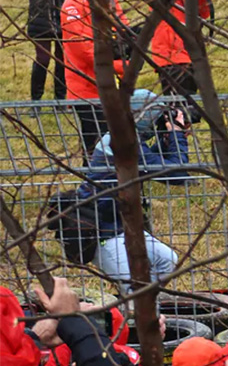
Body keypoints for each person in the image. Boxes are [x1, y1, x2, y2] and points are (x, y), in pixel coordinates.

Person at [58, 89, 192, 285]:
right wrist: (175, 134)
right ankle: (137, 307)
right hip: (101, 232)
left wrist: (168, 139)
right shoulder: (124, 143)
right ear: (144, 118)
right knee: (132, 287)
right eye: (157, 117)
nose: (158, 123)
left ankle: (147, 304)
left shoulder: (119, 137)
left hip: (120, 225)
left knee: (166, 261)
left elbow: (151, 165)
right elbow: (177, 174)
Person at [143, 0, 219, 121]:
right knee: (178, 116)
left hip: (188, 52)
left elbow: (201, 14)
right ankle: (168, 148)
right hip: (170, 55)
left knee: (187, 116)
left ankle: (172, 147)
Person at [61, 0, 129, 158]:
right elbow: (85, 51)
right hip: (86, 88)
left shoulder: (110, 2)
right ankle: (93, 183)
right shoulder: (73, 5)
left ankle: (113, 181)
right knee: (95, 143)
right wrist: (122, 65)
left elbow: (126, 31)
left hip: (114, 86)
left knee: (115, 140)